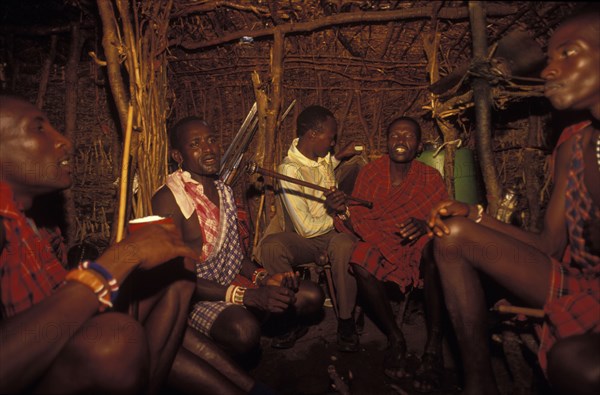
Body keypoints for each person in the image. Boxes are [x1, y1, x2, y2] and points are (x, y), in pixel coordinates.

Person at [0, 94, 278, 395]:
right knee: (115, 339)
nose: (64, 141)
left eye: (210, 141)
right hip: (38, 364)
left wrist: (260, 276)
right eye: (38, 128)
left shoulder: (36, 223)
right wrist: (121, 257)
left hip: (60, 341)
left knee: (176, 274)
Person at [426, 8, 600, 395]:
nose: (550, 70)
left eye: (569, 53)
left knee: (577, 364)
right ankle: (478, 383)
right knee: (451, 235)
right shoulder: (573, 145)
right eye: (550, 58)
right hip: (586, 285)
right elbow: (549, 246)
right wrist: (474, 213)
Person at [151, 116, 324, 360]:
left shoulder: (223, 191)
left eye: (211, 141)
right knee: (244, 331)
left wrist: (264, 278)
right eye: (196, 144)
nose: (208, 149)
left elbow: (235, 258)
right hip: (194, 298)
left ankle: (254, 325)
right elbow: (176, 279)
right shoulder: (168, 199)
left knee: (311, 296)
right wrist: (248, 296)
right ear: (178, 156)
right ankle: (202, 352)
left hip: (229, 285)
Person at [330, 116, 448, 392]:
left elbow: (443, 217)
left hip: (418, 243)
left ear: (419, 146)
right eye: (395, 135)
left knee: (437, 255)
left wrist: (424, 224)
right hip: (381, 239)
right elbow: (358, 214)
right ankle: (395, 338)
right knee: (359, 259)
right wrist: (342, 209)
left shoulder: (430, 177)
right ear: (386, 142)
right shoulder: (371, 173)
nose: (400, 141)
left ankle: (433, 346)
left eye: (408, 137)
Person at [257, 105, 362, 351]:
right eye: (330, 137)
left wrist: (337, 159)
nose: (333, 142)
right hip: (312, 236)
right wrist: (338, 214)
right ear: (312, 135)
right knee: (271, 247)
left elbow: (321, 172)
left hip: (334, 235)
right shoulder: (290, 170)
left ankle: (345, 320)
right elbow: (304, 229)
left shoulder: (321, 157)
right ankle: (292, 316)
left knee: (345, 245)